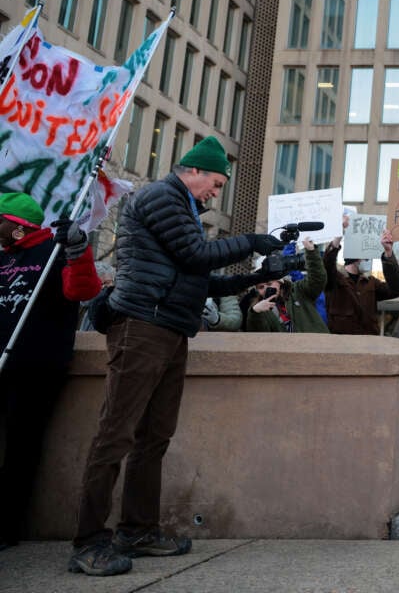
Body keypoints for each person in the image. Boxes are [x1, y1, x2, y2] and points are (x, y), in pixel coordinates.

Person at [70, 136, 284, 576]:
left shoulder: (184, 208)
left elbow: (199, 278)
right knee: (116, 434)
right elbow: (196, 254)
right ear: (194, 171)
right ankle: (89, 541)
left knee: (154, 437)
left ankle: (138, 530)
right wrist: (254, 242)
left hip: (169, 328)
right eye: (217, 183)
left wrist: (258, 276)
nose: (216, 193)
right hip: (142, 325)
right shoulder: (162, 196)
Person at [0, 193, 101, 550]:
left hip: (35, 366)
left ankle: (7, 525)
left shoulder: (54, 253)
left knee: (20, 446)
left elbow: (85, 290)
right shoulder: (3, 257)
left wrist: (77, 249)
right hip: (2, 362)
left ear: (18, 227)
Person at [323, 229, 399, 335]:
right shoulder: (335, 279)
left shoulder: (371, 282)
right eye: (366, 259)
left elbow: (396, 289)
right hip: (342, 342)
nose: (368, 262)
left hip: (369, 341)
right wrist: (338, 236)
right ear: (355, 259)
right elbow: (328, 263)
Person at [243, 238, 328, 333]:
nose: (266, 288)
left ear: (280, 281)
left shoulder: (299, 290)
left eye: (269, 284)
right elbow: (258, 339)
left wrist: (311, 252)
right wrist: (255, 313)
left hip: (316, 345)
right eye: (261, 287)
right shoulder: (258, 309)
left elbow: (318, 279)